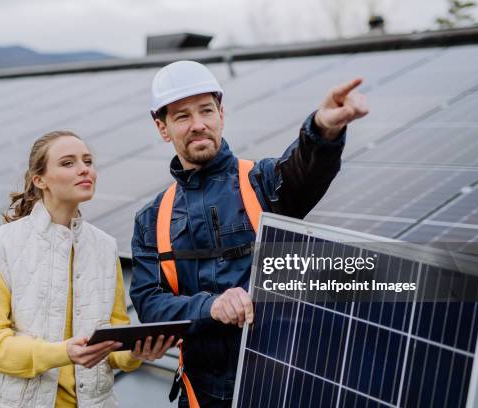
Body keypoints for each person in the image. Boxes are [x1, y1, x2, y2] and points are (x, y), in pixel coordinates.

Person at [129, 61, 369, 407]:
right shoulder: (152, 219)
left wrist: (322, 130)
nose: (198, 125)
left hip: (280, 385)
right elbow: (150, 305)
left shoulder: (263, 183)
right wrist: (211, 306)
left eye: (206, 111)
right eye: (182, 116)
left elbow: (305, 168)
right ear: (162, 127)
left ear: (221, 114)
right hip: (203, 394)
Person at [0, 130, 176, 408]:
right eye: (68, 163)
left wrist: (136, 353)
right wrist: (62, 352)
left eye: (88, 161)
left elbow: (112, 339)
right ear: (39, 179)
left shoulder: (105, 246)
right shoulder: (0, 246)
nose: (84, 170)